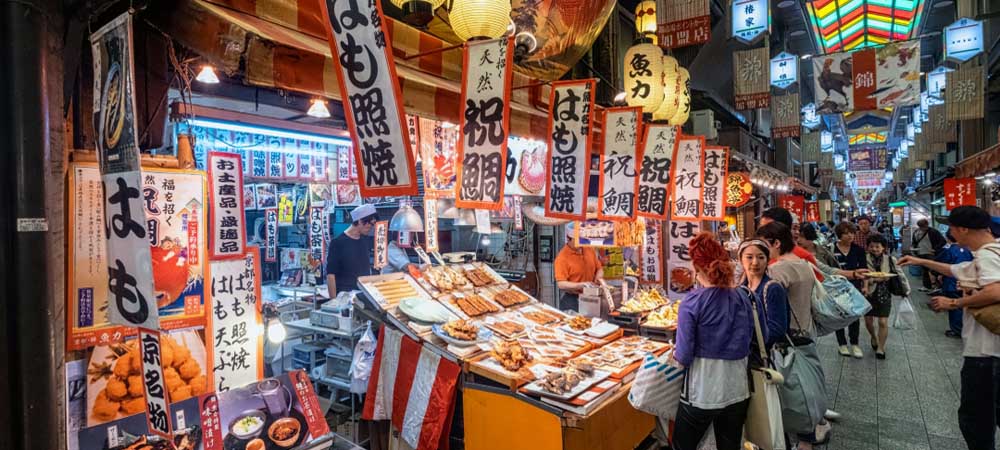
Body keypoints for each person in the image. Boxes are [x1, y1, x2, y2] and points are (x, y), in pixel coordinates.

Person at [898, 206, 1000, 450]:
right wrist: (919, 260)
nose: (950, 232)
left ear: (963, 229)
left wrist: (954, 302)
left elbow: (995, 289)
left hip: (986, 355)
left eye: (952, 228)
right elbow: (956, 270)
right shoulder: (990, 252)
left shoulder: (987, 256)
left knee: (975, 421)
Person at [671, 232, 763, 450]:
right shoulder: (744, 296)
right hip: (738, 389)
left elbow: (683, 356)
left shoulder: (691, 302)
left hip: (702, 391)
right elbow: (758, 337)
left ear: (697, 268)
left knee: (682, 445)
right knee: (729, 445)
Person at [755, 222, 831, 447]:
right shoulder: (802, 264)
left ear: (776, 243)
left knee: (788, 393)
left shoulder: (778, 270)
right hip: (804, 334)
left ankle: (792, 439)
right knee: (802, 388)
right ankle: (807, 438)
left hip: (784, 340)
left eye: (763, 246)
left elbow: (766, 306)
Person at [863, 234, 909, 359]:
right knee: (868, 321)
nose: (874, 249)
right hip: (868, 293)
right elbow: (862, 277)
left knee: (883, 322)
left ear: (883, 248)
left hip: (884, 293)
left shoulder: (890, 259)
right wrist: (873, 280)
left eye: (878, 247)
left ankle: (881, 348)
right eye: (872, 246)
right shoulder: (863, 258)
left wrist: (906, 290)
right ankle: (873, 336)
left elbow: (900, 275)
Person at [738, 239, 790, 348]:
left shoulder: (773, 288)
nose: (755, 262)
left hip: (767, 355)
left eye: (761, 257)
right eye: (749, 257)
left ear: (767, 260)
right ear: (740, 260)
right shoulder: (741, 289)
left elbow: (777, 330)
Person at [832, 221, 867, 358]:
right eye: (847, 233)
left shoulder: (858, 250)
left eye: (852, 233)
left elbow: (864, 269)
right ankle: (841, 344)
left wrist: (865, 285)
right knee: (839, 315)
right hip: (836, 287)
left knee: (854, 315)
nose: (850, 236)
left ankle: (855, 343)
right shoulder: (831, 249)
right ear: (840, 235)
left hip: (854, 286)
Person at [759, 207, 824, 281]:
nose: (762, 232)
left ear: (782, 228)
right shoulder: (760, 252)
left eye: (767, 228)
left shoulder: (802, 256)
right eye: (761, 227)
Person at [326, 204, 377, 296]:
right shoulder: (337, 243)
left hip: (364, 293)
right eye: (369, 226)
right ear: (360, 221)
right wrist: (333, 302)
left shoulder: (365, 240)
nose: (370, 229)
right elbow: (330, 275)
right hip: (344, 295)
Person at [554, 222, 603, 311]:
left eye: (581, 239)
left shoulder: (589, 249)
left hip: (591, 297)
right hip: (572, 300)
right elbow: (561, 284)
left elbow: (599, 268)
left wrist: (598, 279)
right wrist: (581, 285)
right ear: (568, 239)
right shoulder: (562, 258)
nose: (580, 243)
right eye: (577, 240)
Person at [935, 231, 973, 338]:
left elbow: (941, 264)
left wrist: (938, 275)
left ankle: (956, 330)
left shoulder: (949, 250)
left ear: (948, 239)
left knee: (954, 306)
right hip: (966, 282)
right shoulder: (968, 250)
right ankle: (964, 328)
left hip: (951, 282)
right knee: (963, 305)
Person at [912, 218, 946, 291]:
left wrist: (935, 249)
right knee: (925, 271)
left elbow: (943, 241)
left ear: (927, 225)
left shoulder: (933, 231)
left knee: (934, 270)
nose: (922, 228)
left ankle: (937, 287)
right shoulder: (916, 232)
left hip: (931, 254)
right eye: (920, 226)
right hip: (921, 253)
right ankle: (927, 286)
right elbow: (914, 242)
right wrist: (914, 249)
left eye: (923, 226)